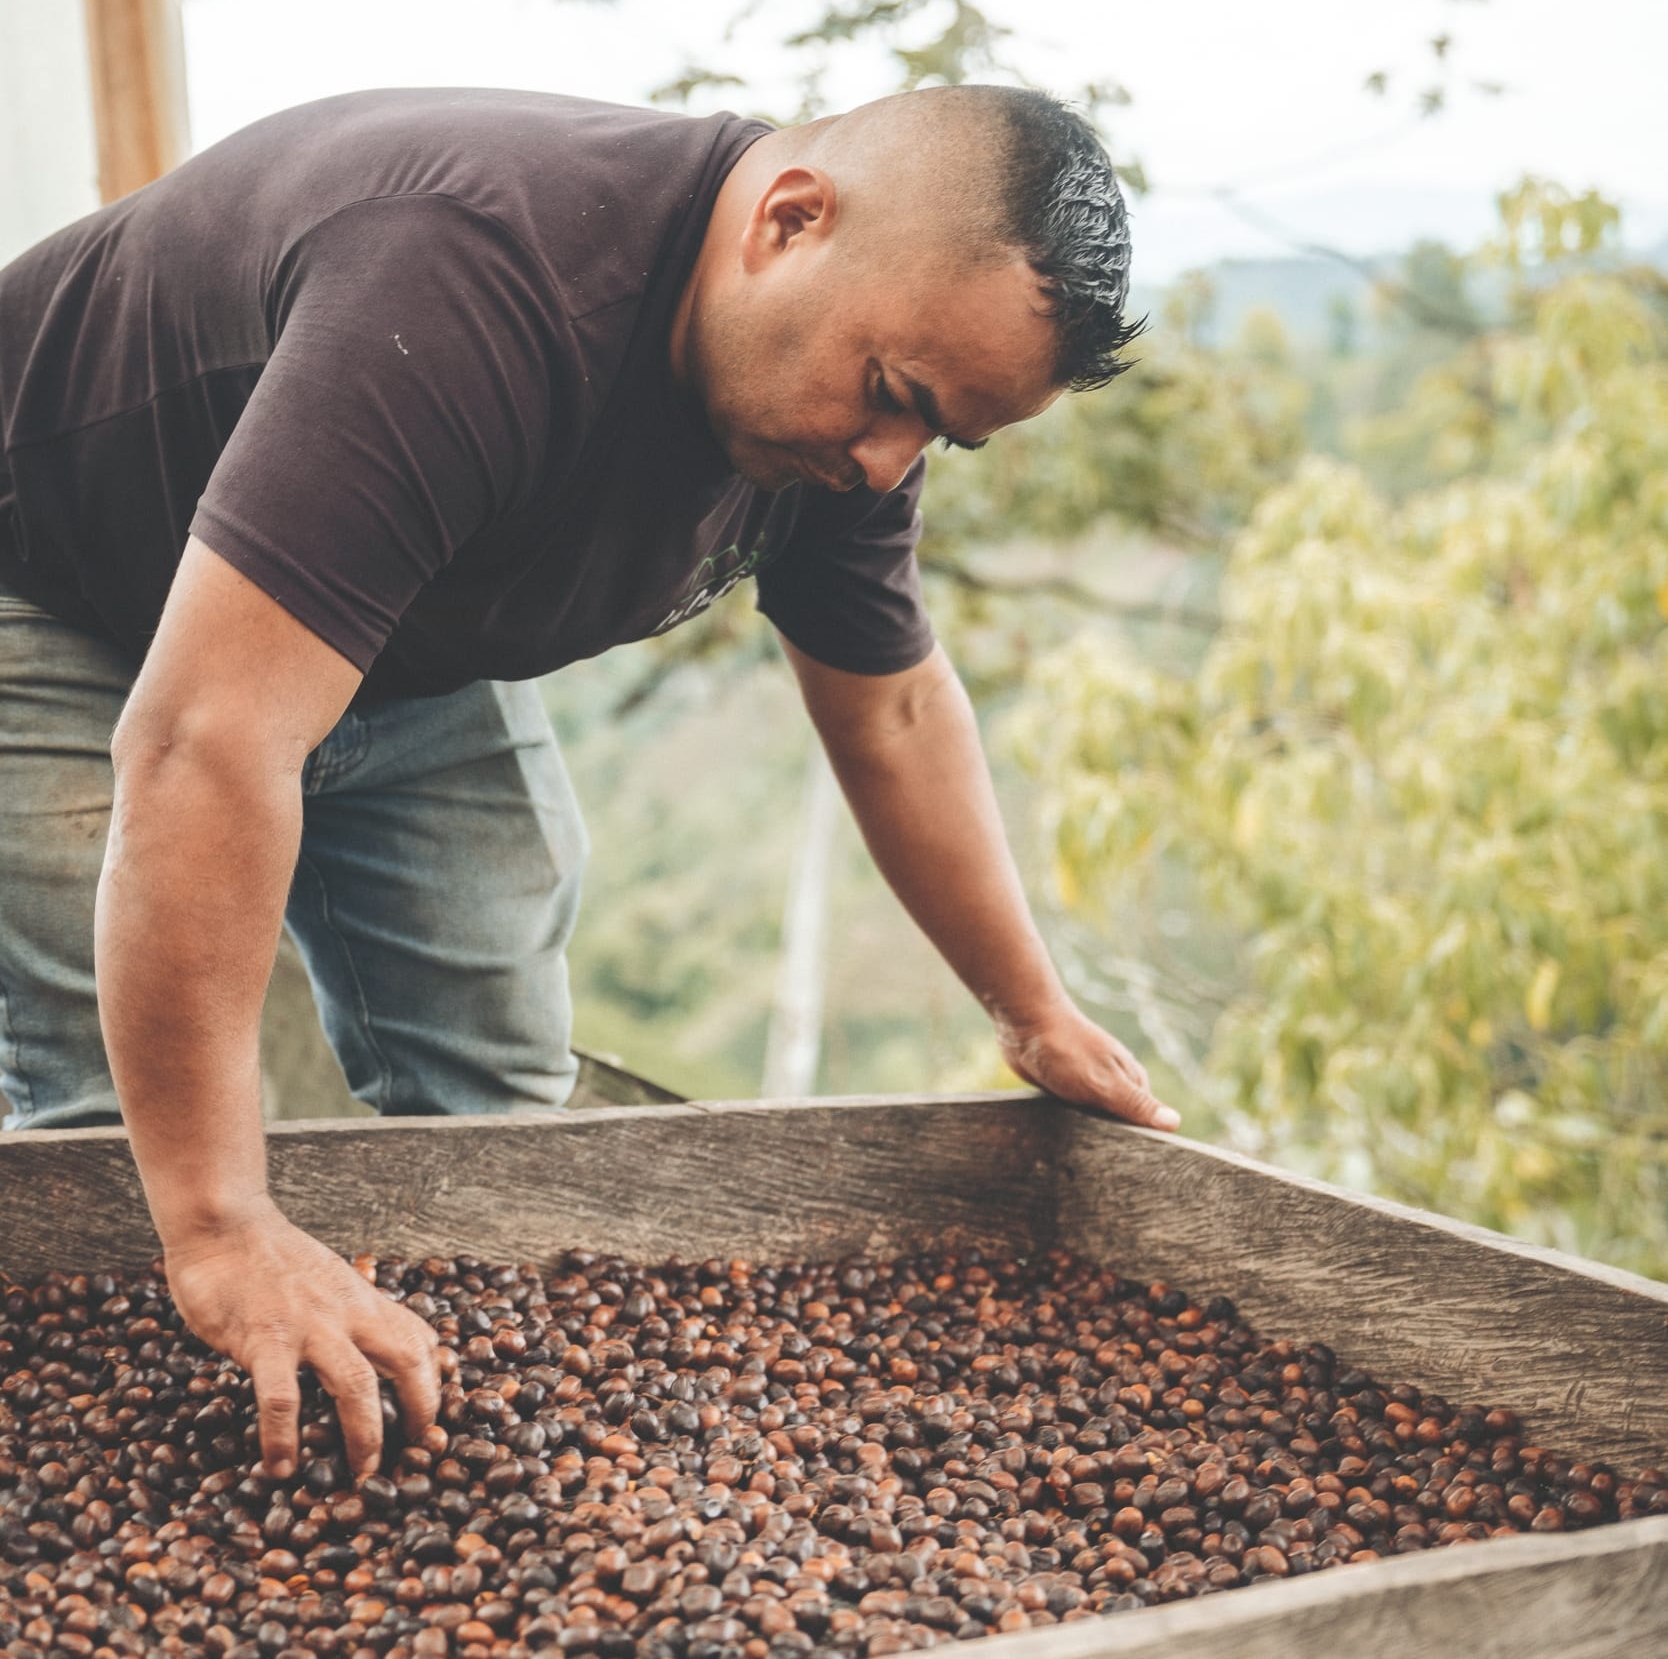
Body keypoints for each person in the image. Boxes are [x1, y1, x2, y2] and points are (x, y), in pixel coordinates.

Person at [0, 79, 1178, 1480]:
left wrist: (1030, 1009)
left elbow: (898, 710)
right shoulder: (474, 279)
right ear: (790, 221)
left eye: (939, 435)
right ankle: (148, 1480)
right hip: (53, 586)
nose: (886, 465)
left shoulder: (842, 427)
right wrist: (218, 1225)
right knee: (117, 1157)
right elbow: (208, 742)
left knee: (499, 1093)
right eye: (896, 400)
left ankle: (440, 1446)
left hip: (396, 639)